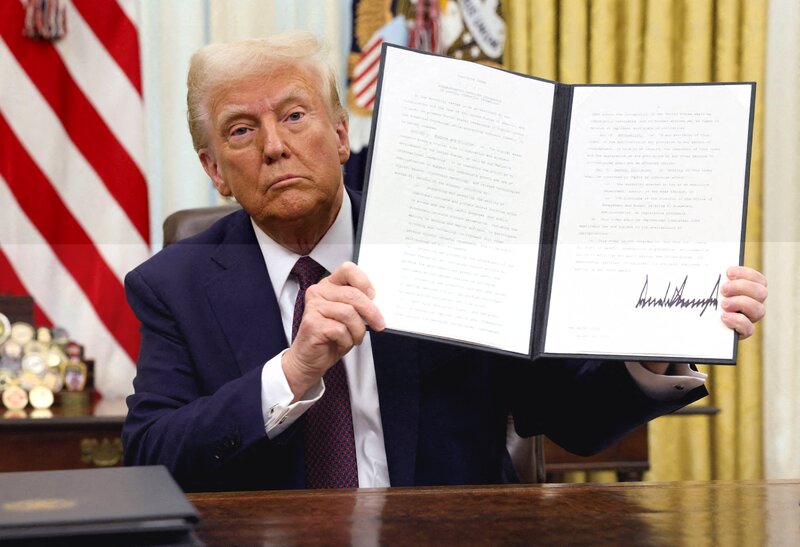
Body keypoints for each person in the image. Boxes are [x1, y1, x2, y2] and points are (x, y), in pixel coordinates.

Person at [121, 33, 768, 492]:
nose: (274, 146)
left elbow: (566, 414)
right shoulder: (172, 284)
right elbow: (150, 455)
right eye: (240, 130)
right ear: (214, 172)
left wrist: (656, 340)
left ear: (341, 134)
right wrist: (292, 371)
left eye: (295, 115)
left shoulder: (449, 237)